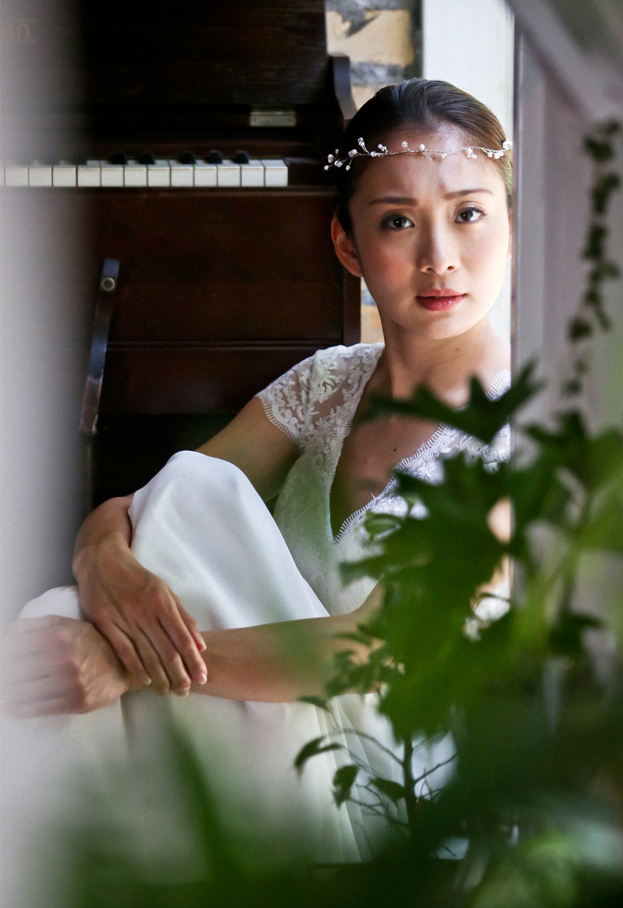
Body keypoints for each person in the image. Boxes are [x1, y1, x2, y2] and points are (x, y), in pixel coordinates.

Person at [2, 80, 512, 858]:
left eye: (468, 214)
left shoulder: (521, 427)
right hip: (261, 722)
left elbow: (380, 651)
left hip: (386, 787)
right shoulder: (329, 383)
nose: (438, 257)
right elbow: (153, 505)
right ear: (347, 244)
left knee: (94, 652)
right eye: (397, 220)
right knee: (159, 519)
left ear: (510, 226)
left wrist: (129, 660)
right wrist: (102, 560)